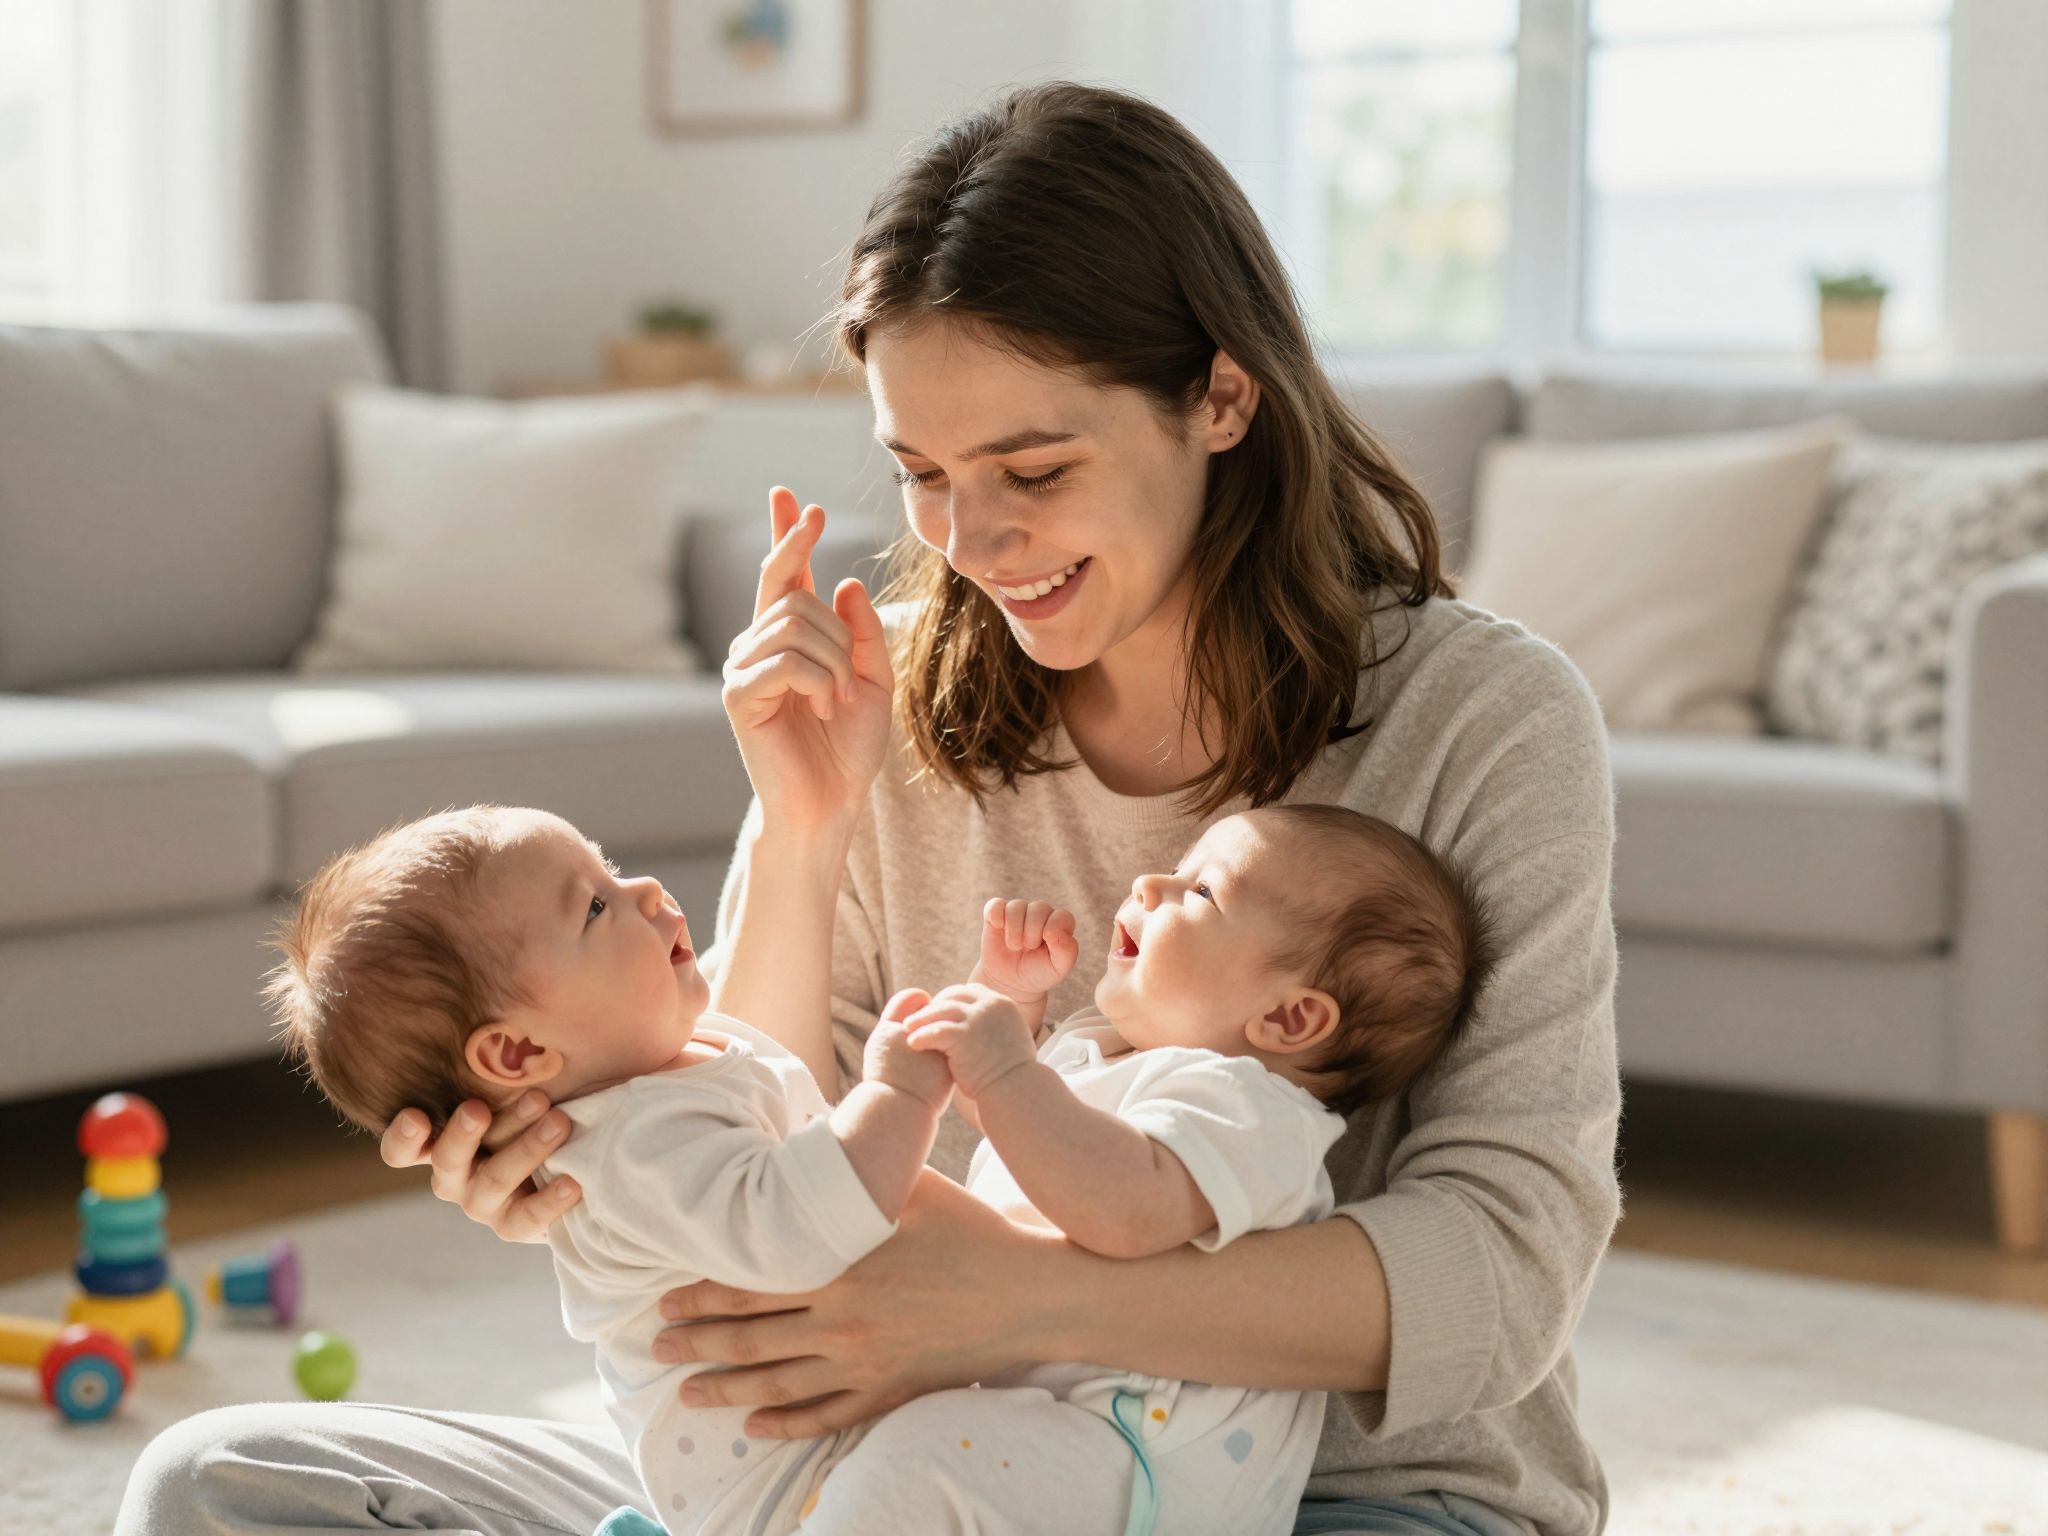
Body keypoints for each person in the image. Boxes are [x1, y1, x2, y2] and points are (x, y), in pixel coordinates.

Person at [115, 81, 1620, 1536]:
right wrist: (781, 862)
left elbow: (1506, 1269)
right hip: (882, 1462)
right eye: (921, 472)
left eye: (1033, 467)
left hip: (1330, 1497)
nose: (973, 540)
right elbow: (766, 1116)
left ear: (1221, 397)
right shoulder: (892, 701)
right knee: (220, 1487)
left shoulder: (1483, 718)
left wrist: (1030, 1301)